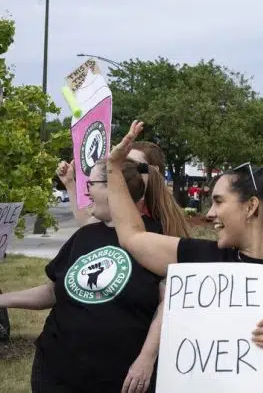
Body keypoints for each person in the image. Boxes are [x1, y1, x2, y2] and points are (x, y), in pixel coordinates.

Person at [106, 121, 263, 393]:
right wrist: (113, 170)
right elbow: (132, 237)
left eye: (219, 201)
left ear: (251, 207)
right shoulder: (200, 258)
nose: (210, 213)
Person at [0, 158, 181, 392]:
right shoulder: (85, 236)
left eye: (91, 183)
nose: (87, 190)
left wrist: (146, 358)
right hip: (55, 370)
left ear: (114, 189)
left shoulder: (156, 239)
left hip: (119, 378)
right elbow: (53, 291)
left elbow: (168, 303)